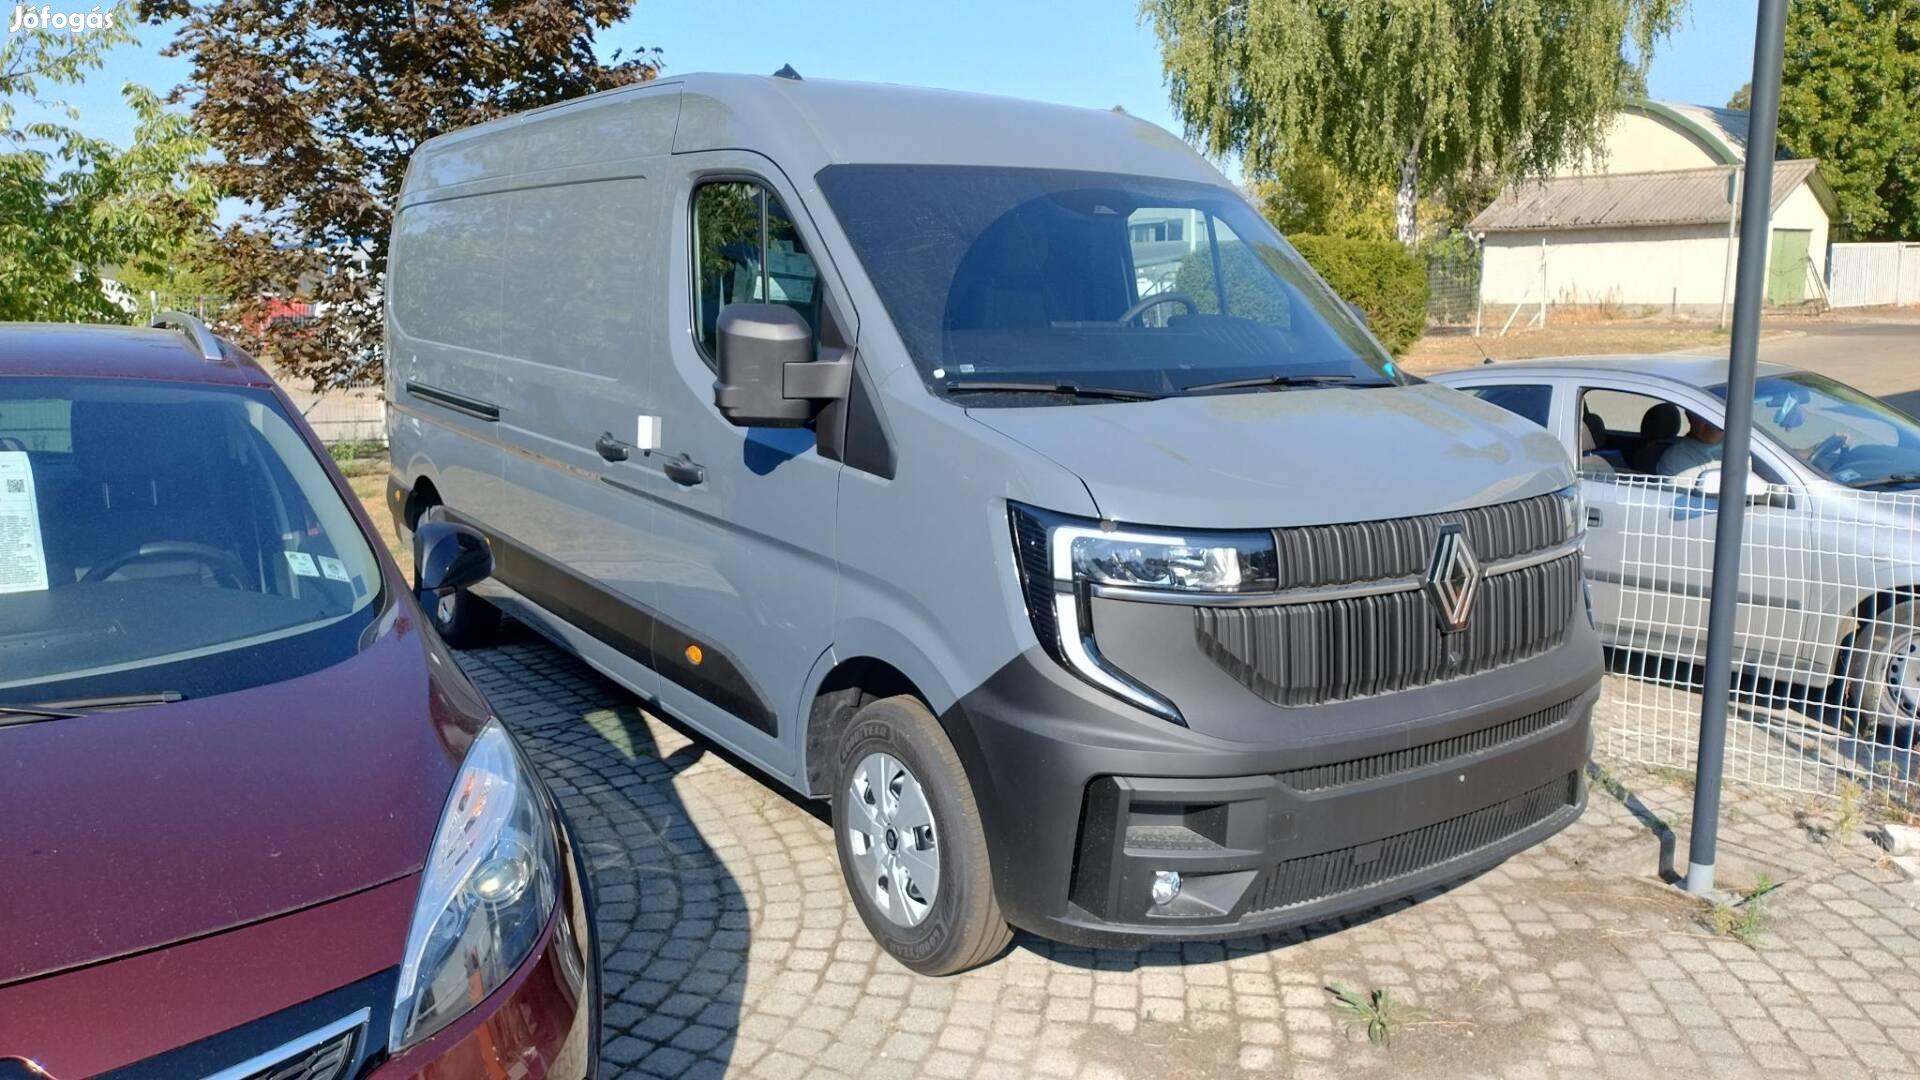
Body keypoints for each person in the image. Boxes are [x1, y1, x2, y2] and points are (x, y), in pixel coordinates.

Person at [1657, 411, 1725, 477]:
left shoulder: (1732, 446)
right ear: (1690, 417)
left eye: (1714, 415)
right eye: (1703, 415)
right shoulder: (1677, 457)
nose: (1711, 422)